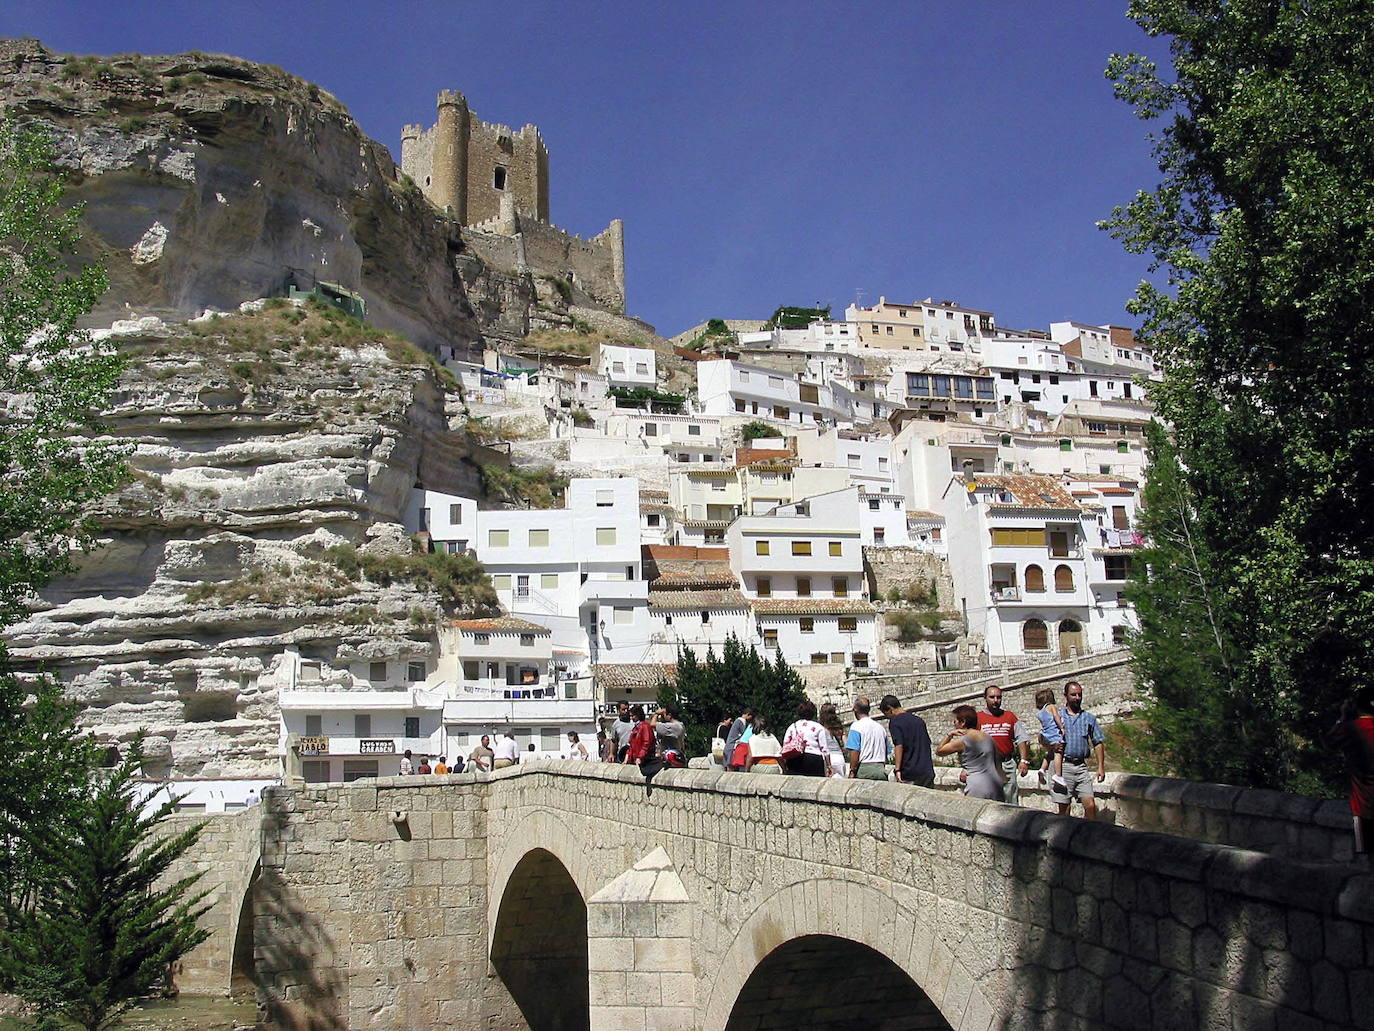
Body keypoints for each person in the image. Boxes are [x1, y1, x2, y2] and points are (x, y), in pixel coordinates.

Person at [1329, 688, 1374, 857]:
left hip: (1366, 807)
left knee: (1367, 861)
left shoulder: (1352, 728)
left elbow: (1330, 743)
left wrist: (1342, 716)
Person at [1054, 681, 1106, 819]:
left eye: (1079, 695)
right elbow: (1042, 737)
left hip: (1081, 767)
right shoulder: (1058, 717)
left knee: (1090, 806)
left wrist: (1100, 766)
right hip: (1064, 767)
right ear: (1065, 696)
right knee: (1064, 808)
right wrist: (1050, 745)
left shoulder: (1089, 719)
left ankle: (1088, 838)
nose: (1077, 698)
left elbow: (1098, 742)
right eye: (1073, 695)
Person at [936, 705, 1004, 801]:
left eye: (955, 721)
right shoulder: (988, 737)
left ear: (963, 722)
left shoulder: (964, 741)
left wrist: (949, 735)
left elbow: (939, 751)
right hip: (995, 784)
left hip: (977, 786)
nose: (954, 724)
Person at [976, 685, 1030, 805]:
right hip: (986, 765)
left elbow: (1022, 738)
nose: (996, 700)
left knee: (1010, 799)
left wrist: (1024, 760)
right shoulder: (978, 718)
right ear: (985, 698)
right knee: (988, 801)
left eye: (998, 697)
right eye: (992, 697)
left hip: (1007, 764)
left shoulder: (1010, 717)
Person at [879, 694, 934, 788]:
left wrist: (897, 769)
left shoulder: (895, 722)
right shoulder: (919, 721)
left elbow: (899, 745)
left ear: (890, 709)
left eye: (886, 714)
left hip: (910, 772)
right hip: (927, 771)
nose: (887, 717)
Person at [780, 699, 831, 777]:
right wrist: (829, 765)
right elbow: (824, 748)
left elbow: (785, 744)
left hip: (795, 759)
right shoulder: (818, 727)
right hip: (814, 759)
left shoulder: (792, 726)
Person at [845, 696, 890, 780]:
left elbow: (855, 751)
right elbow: (886, 752)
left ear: (855, 709)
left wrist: (852, 771)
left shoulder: (856, 726)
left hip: (864, 769)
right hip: (881, 770)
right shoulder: (880, 728)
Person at [1034, 687, 1067, 792]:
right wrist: (1061, 727)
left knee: (1049, 754)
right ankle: (1058, 775)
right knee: (1058, 752)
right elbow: (1056, 717)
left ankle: (1042, 769)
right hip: (1054, 733)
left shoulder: (1040, 712)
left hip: (1045, 734)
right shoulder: (1052, 707)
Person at [625, 705, 665, 790]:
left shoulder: (644, 726)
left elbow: (646, 743)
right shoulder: (636, 728)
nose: (632, 718)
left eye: (633, 716)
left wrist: (640, 757)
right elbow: (631, 745)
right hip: (636, 759)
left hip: (644, 760)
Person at [817, 702, 847, 778]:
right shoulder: (839, 728)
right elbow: (846, 745)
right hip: (840, 758)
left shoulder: (820, 728)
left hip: (829, 759)